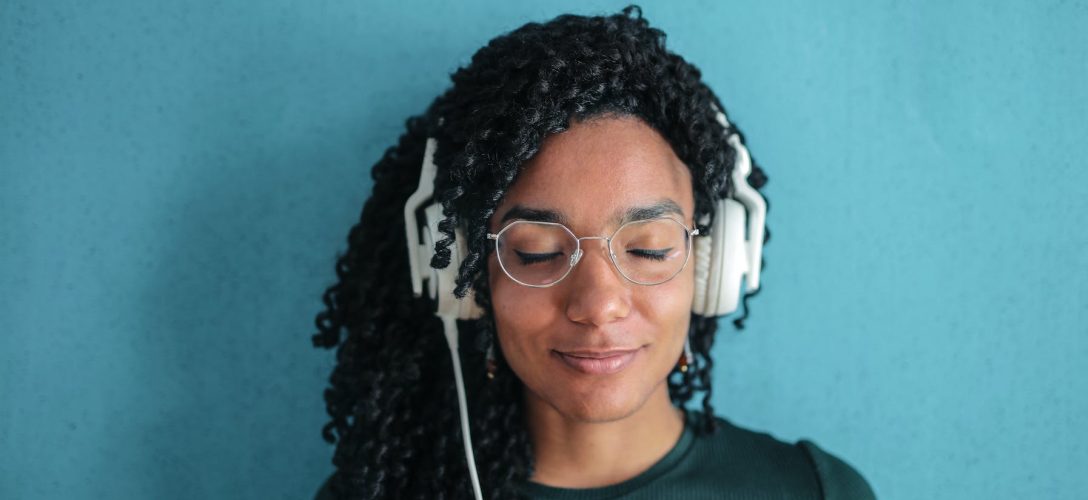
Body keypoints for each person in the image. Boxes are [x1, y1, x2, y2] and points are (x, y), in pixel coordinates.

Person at [311, 6, 875, 499]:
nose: (599, 304)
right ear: (462, 274)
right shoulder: (376, 490)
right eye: (535, 253)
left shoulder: (814, 490)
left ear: (714, 266)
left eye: (649, 249)